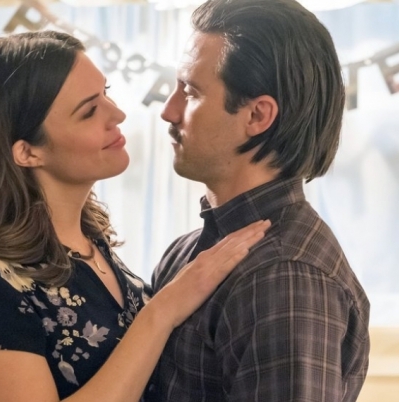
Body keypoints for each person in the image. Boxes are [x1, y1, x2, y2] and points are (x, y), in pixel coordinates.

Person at [0, 30, 270, 402]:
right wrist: (164, 310)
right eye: (89, 111)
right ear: (27, 152)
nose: (117, 114)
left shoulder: (94, 247)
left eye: (105, 93)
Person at [145, 0, 371, 401]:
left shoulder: (285, 277)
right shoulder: (185, 253)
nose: (169, 111)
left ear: (257, 116)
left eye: (191, 92)